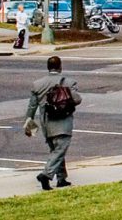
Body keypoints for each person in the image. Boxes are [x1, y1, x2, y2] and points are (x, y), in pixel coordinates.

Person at [24, 55, 80, 190]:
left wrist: (28, 122)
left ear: (48, 67)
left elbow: (32, 106)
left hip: (46, 124)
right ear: (60, 66)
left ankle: (61, 178)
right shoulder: (69, 82)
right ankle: (46, 174)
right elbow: (77, 99)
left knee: (56, 150)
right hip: (63, 122)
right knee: (60, 150)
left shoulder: (37, 84)